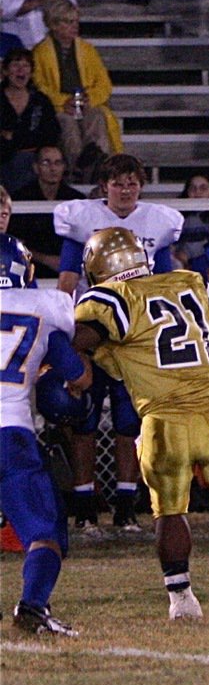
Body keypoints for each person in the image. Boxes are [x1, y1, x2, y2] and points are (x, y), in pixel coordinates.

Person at [72, 226, 209, 619]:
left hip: (166, 417)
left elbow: (76, 339)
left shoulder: (111, 299)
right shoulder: (188, 284)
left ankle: (182, 598)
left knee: (170, 512)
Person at [54, 153, 184, 535]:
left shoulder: (158, 223)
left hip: (135, 333)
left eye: (132, 183)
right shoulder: (82, 218)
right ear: (103, 187)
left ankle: (126, 505)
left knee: (130, 421)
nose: (125, 190)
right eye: (118, 183)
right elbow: (66, 279)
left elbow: (165, 281)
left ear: (140, 186)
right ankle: (85, 505)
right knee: (85, 418)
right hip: (93, 328)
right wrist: (67, 334)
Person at [0, 232, 90, 636]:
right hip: (10, 435)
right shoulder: (43, 310)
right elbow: (80, 377)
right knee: (45, 531)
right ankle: (33, 606)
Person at [30, 0, 122, 177]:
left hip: (85, 102)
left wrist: (90, 98)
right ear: (54, 25)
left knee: (96, 116)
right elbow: (39, 85)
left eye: (76, 21)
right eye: (68, 22)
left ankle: (100, 166)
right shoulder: (40, 52)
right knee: (66, 122)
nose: (74, 26)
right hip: (59, 107)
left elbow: (104, 83)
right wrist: (63, 101)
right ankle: (78, 169)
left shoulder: (87, 50)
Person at [8, 145, 83, 278]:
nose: (53, 168)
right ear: (36, 168)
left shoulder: (77, 200)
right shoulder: (20, 199)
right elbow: (15, 242)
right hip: (31, 268)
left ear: (64, 167)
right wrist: (46, 260)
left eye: (57, 163)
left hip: (71, 269)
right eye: (46, 163)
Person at [2, 47, 60, 192]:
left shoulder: (40, 101)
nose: (21, 70)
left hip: (34, 159)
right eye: (16, 65)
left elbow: (51, 134)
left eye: (26, 66)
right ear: (5, 71)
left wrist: (13, 137)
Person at [173, 172, 209, 266]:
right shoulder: (177, 217)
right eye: (193, 188)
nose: (197, 192)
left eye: (203, 188)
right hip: (182, 264)